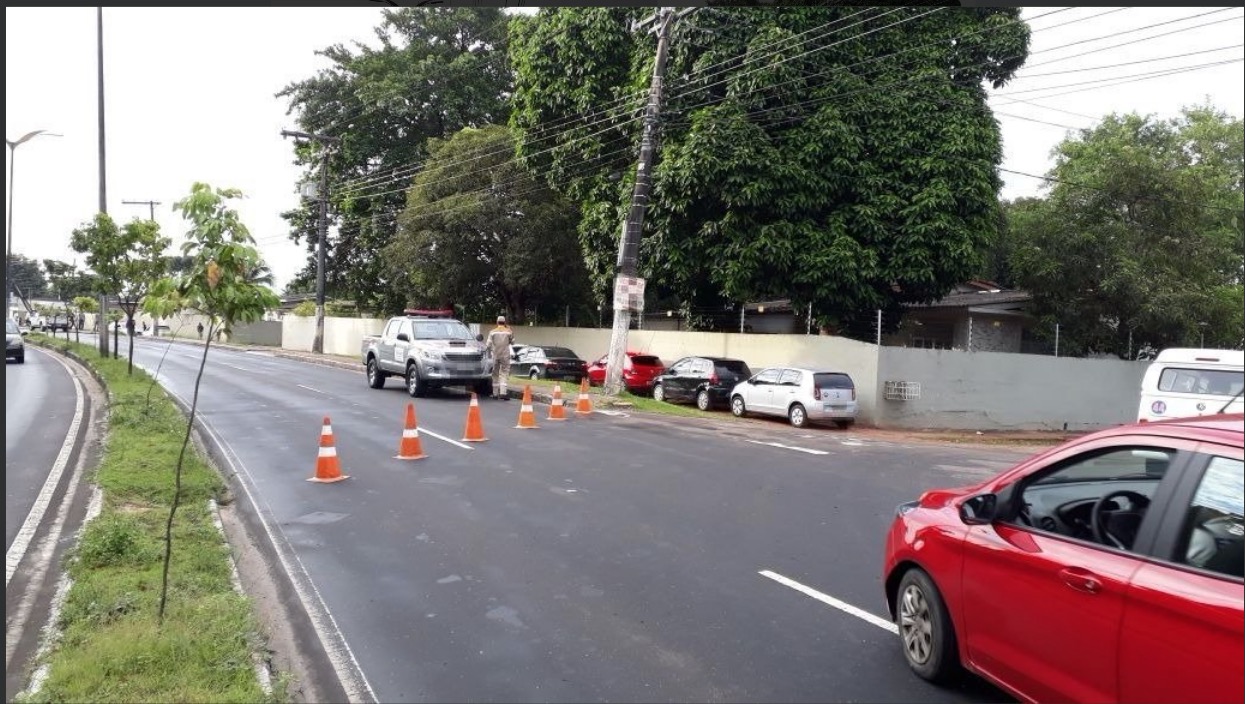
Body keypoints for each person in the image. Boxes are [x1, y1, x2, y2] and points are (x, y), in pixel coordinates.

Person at [486, 315, 514, 400]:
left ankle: (495, 394)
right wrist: (510, 331)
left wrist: (490, 352)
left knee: (495, 373)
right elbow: (513, 342)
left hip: (495, 355)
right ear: (504, 322)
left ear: (497, 322)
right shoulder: (509, 331)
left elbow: (488, 345)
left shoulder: (492, 332)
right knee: (504, 373)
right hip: (505, 355)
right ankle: (503, 393)